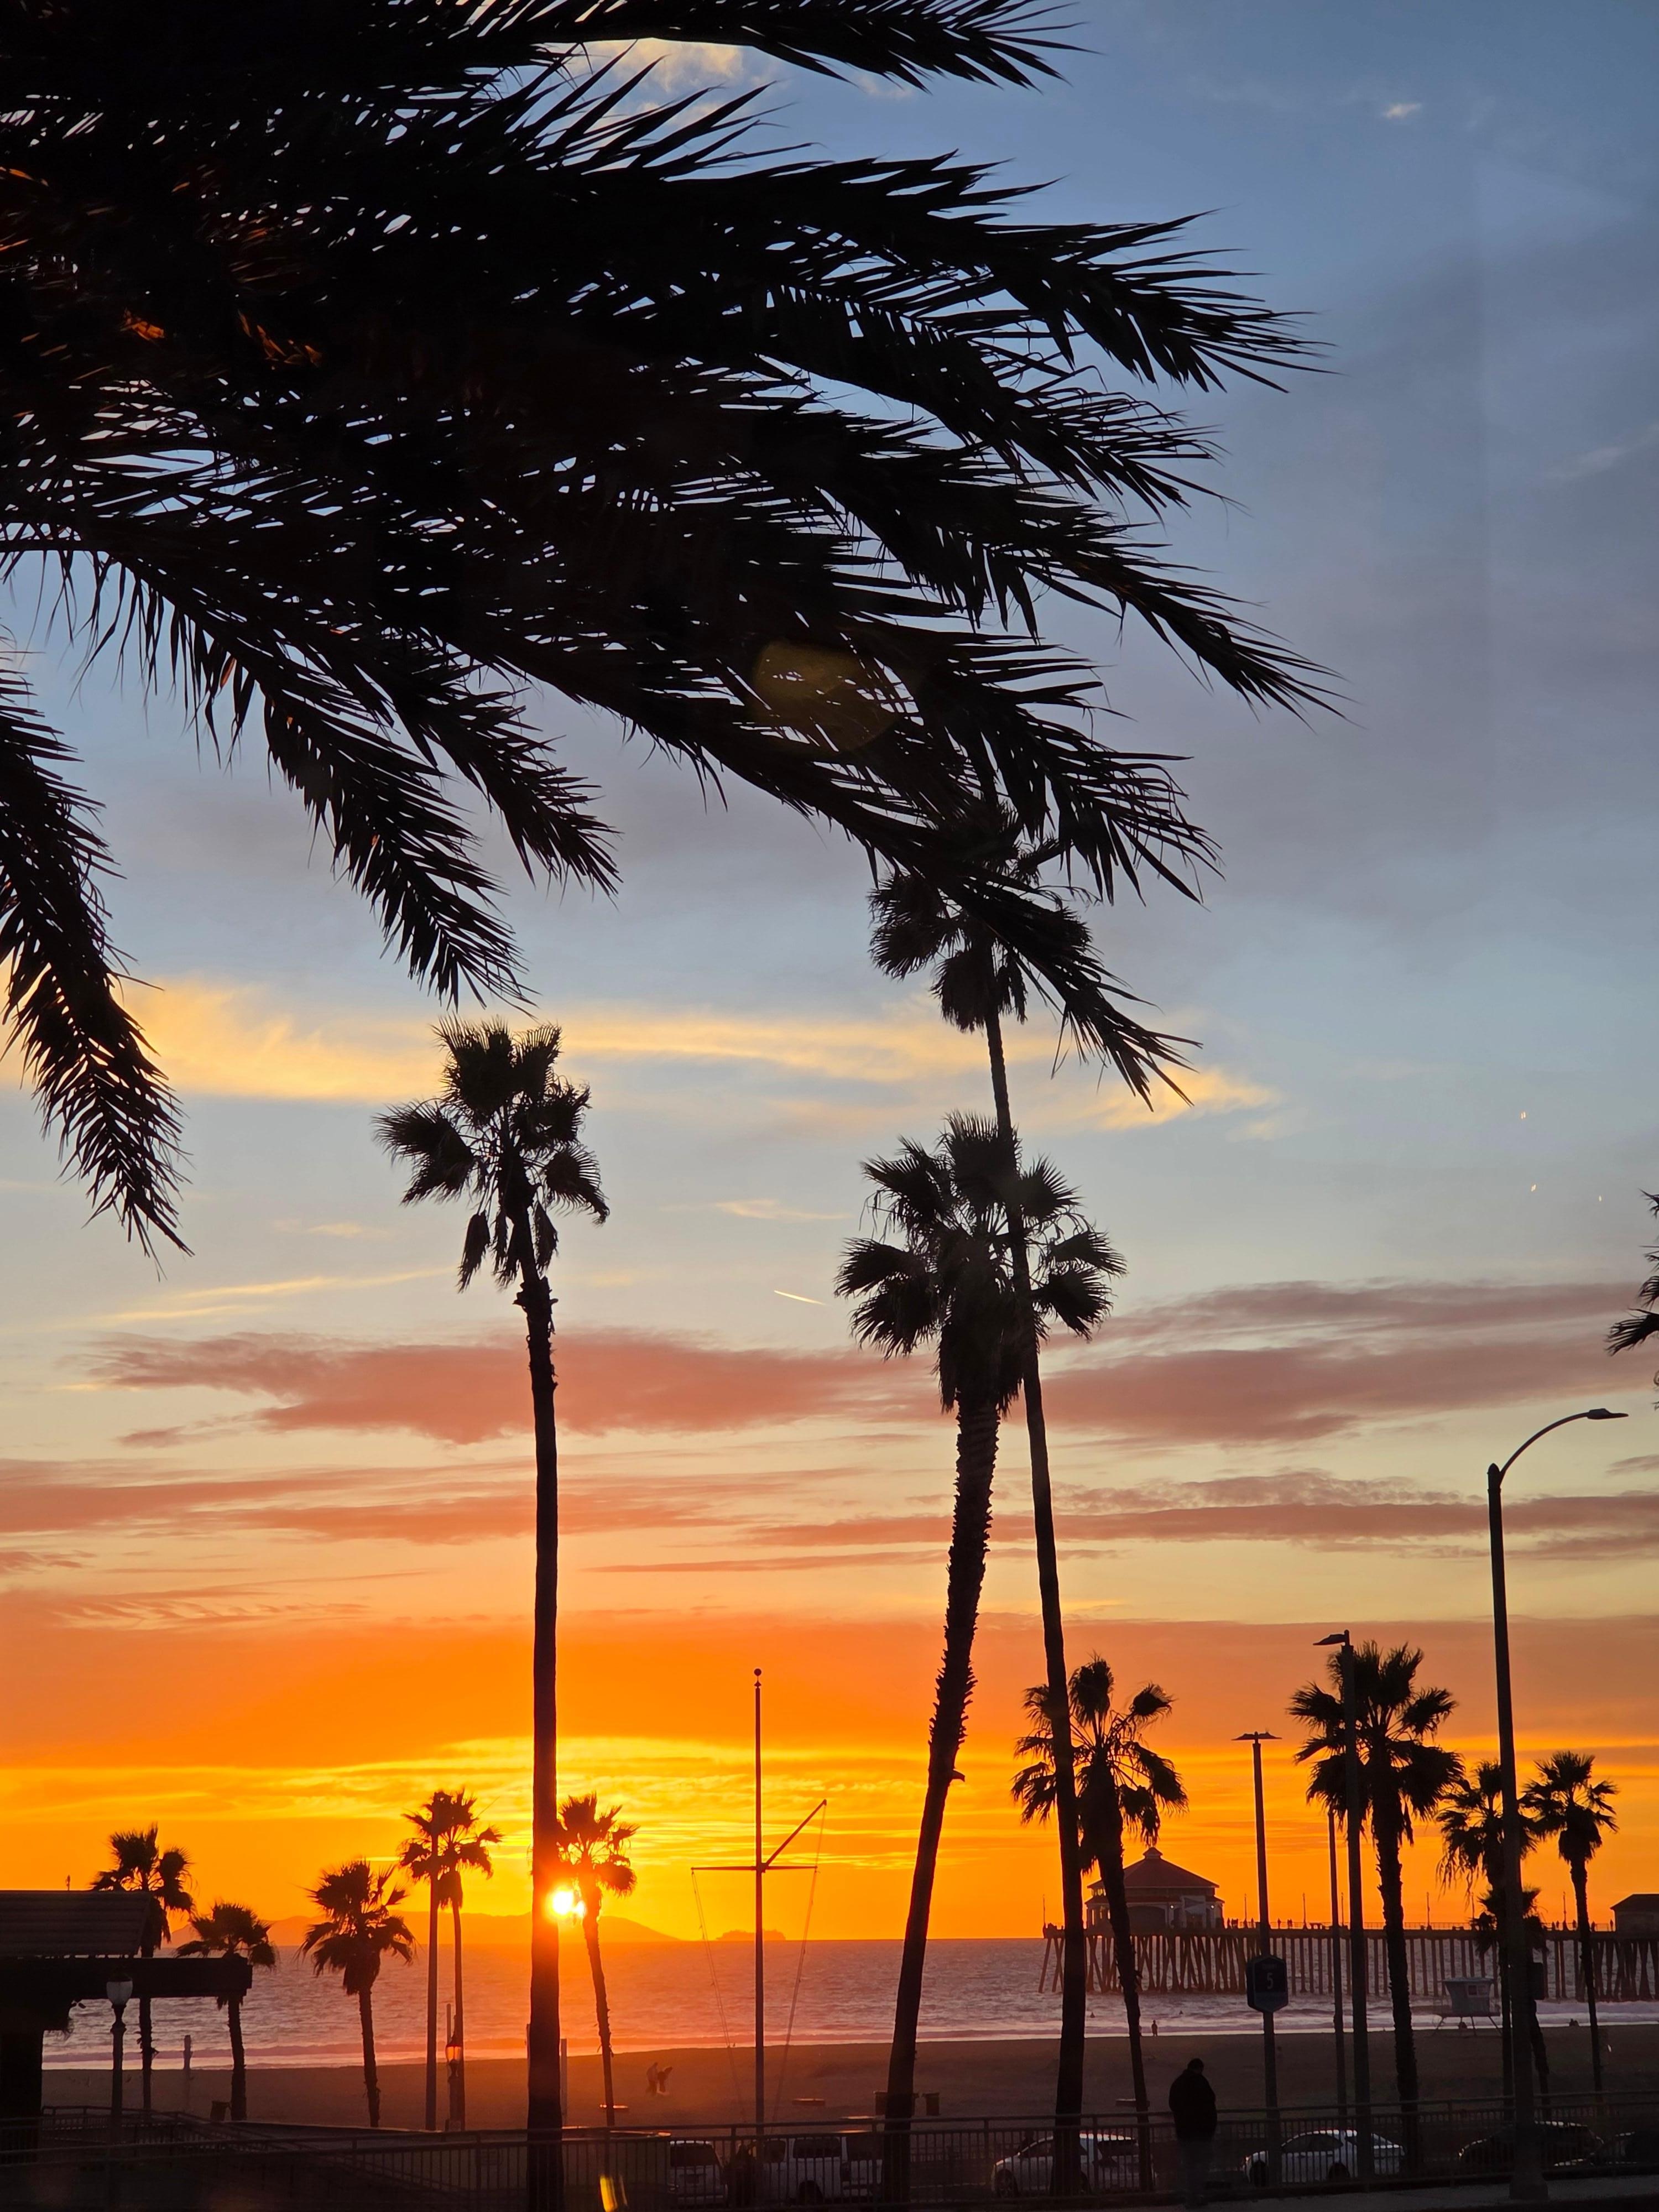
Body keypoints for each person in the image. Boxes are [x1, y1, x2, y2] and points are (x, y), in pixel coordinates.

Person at [1168, 2057, 1218, 2210]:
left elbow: (1173, 2105)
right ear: (1200, 2069)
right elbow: (1211, 2101)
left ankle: (1191, 2198)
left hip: (1185, 2133)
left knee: (1189, 2167)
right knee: (1203, 2166)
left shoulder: (1178, 2083)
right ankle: (1198, 2195)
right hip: (1203, 2133)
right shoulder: (1202, 2083)